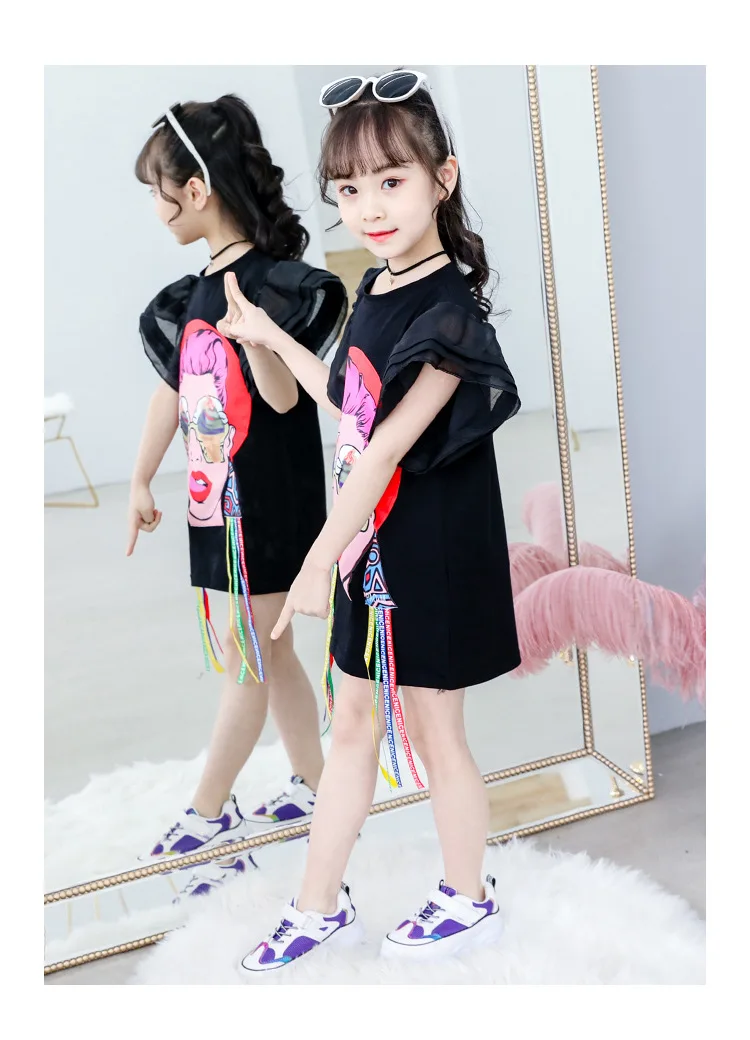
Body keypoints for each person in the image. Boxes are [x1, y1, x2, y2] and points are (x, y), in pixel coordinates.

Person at [215, 71, 521, 968]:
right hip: (371, 543)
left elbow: (385, 449)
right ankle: (319, 906)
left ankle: (469, 897)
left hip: (428, 549)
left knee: (434, 729)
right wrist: (274, 339)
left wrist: (318, 558)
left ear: (443, 178)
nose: (370, 208)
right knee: (353, 720)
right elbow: (354, 409)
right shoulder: (378, 291)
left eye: (391, 180)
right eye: (349, 190)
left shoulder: (451, 313)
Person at [129, 95, 347, 885]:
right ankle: (318, 784)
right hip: (216, 502)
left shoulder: (279, 287)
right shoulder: (189, 295)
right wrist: (140, 476)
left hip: (271, 503)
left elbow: (284, 400)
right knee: (269, 647)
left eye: (159, 192)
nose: (157, 209)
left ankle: (209, 815)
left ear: (195, 190)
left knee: (246, 655)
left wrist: (256, 333)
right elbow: (171, 390)